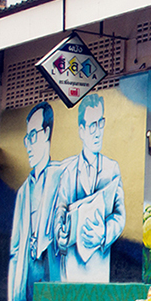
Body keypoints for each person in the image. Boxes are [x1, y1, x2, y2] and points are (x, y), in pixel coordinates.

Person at [53, 94, 125, 283]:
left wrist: (104, 233)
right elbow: (60, 209)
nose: (98, 132)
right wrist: (60, 233)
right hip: (71, 267)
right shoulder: (68, 172)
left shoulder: (112, 169)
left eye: (101, 123)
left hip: (99, 267)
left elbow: (120, 215)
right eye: (92, 125)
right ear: (81, 130)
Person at [8, 102, 63, 301]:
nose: (29, 146)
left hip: (52, 273)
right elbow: (15, 250)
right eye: (27, 139)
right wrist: (13, 298)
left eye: (33, 136)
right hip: (27, 275)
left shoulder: (61, 176)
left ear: (46, 133)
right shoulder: (23, 192)